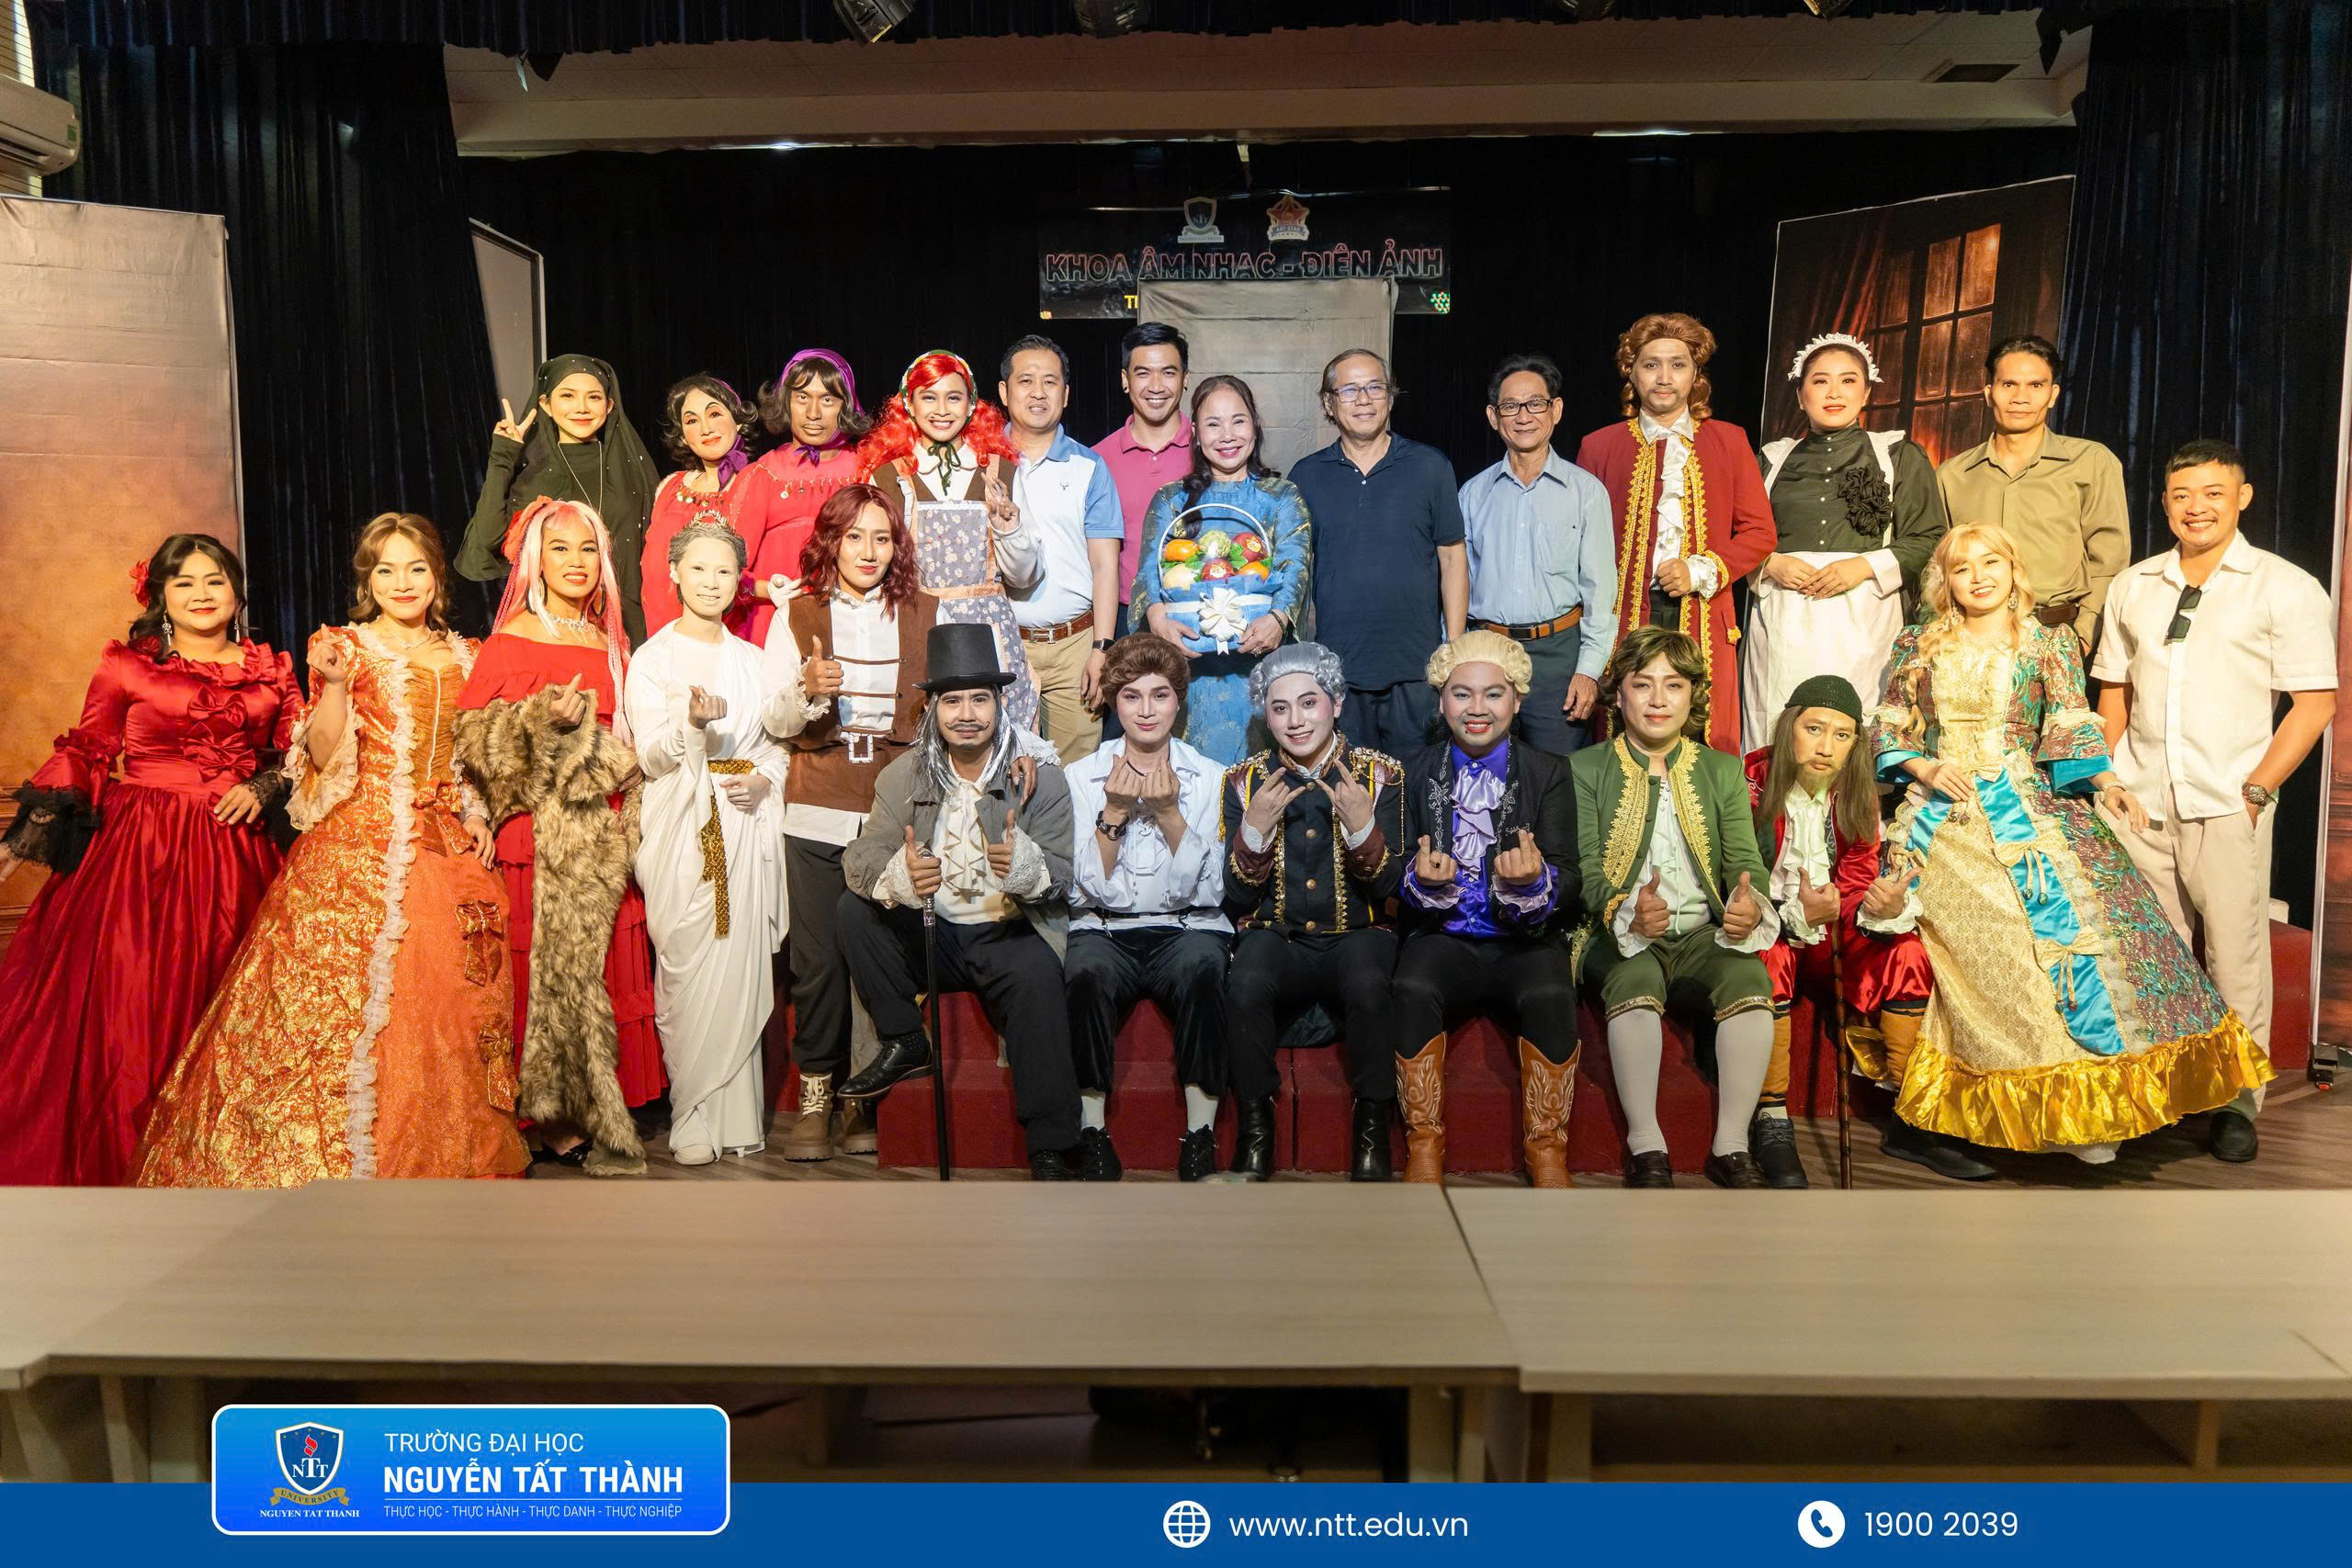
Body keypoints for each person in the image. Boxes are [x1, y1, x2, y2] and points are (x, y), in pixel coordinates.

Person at [137, 515, 527, 1186]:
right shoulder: (344, 647)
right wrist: (338, 686)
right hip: (361, 844)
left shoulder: (469, 654)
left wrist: (476, 812)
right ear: (367, 582)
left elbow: (471, 754)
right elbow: (319, 756)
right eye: (386, 570)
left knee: (446, 1009)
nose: (402, 583)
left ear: (437, 577)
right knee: (349, 1009)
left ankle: (438, 1155)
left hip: (447, 848)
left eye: (416, 569)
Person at [1871, 523, 2271, 1161]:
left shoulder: (2046, 641)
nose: (1978, 577)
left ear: (2013, 570)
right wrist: (1923, 767)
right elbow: (1892, 723)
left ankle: (2097, 1110)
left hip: (2029, 802)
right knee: (2005, 935)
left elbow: (2067, 723)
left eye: (1991, 562)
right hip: (1944, 818)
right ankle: (2016, 1108)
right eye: (1962, 567)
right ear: (1944, 580)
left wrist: (2108, 784)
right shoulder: (1918, 643)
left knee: (2097, 929)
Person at [0, 537, 301, 1185]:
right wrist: (32, 825)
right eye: (184, 582)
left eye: (214, 580)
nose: (201, 594)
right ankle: (127, 1165)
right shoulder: (127, 666)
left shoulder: (272, 670)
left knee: (226, 1011)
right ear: (160, 596)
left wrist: (264, 785)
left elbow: (299, 755)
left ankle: (210, 1169)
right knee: (130, 1008)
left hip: (236, 856)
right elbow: (88, 747)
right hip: (140, 856)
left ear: (237, 591)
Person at [2092, 439, 2336, 1163]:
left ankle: (2235, 1100)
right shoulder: (2135, 583)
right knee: (2152, 955)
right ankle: (2163, 1090)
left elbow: (2315, 703)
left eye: (2212, 493)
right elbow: (2114, 691)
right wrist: (2105, 778)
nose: (2196, 508)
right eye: (2182, 495)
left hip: (2228, 801)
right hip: (2140, 802)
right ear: (2165, 502)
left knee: (2235, 957)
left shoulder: (2283, 586)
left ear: (2242, 497)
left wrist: (2257, 790)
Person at [832, 622, 1086, 1179]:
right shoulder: (902, 777)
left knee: (1038, 979)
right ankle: (905, 1039)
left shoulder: (1040, 780)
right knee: (854, 909)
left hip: (1009, 932)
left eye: (979, 699)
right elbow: (861, 855)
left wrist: (1028, 868)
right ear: (932, 709)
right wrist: (900, 874)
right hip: (935, 932)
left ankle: (1051, 1146)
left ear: (1000, 704)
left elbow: (1066, 875)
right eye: (952, 701)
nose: (966, 714)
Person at [456, 498, 655, 1177]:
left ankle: (594, 1106)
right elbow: (474, 751)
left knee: (598, 973)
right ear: (536, 561)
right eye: (560, 549)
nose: (576, 562)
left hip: (602, 837)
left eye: (588, 549)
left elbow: (628, 745)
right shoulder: (510, 639)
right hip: (536, 839)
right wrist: (544, 722)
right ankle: (547, 1116)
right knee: (542, 975)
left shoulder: (613, 644)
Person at [1571, 626, 1781, 1188]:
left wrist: (1749, 902)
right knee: (1634, 977)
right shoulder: (1585, 768)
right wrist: (1625, 910)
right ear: (1619, 695)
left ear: (1693, 697)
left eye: (1674, 685)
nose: (1658, 699)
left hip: (1702, 936)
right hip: (1617, 934)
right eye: (1643, 684)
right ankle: (1647, 1145)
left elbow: (1745, 861)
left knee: (1749, 979)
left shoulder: (1721, 770)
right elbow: (1585, 871)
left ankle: (1731, 1145)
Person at [1743, 675, 1964, 1186]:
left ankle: (1910, 1118)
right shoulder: (1748, 780)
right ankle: (1771, 1119)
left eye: (1842, 735)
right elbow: (1734, 870)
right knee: (1768, 957)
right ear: (1788, 727)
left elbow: (1858, 876)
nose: (1826, 747)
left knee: (1906, 953)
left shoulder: (1856, 792)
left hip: (1831, 938)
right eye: (1814, 729)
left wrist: (1879, 907)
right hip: (1767, 929)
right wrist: (1787, 913)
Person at [625, 522, 788, 1166]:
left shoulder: (753, 661)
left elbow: (774, 747)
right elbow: (648, 754)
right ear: (673, 572)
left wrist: (764, 780)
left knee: (734, 959)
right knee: (687, 961)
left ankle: (736, 1114)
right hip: (682, 825)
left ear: (737, 581)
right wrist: (691, 727)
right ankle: (690, 1109)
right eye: (698, 568)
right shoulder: (653, 658)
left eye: (724, 571)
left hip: (739, 825)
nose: (711, 582)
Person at [1391, 631, 1581, 1187]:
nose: (1477, 708)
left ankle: (1547, 1151)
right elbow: (1391, 867)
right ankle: (1424, 1146)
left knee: (1551, 994)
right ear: (1441, 701)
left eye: (1493, 694)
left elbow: (1571, 876)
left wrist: (1534, 882)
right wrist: (1418, 879)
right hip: (1443, 935)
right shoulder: (1412, 771)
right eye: (1462, 694)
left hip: (1524, 940)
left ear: (1517, 701)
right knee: (1412, 986)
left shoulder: (1549, 771)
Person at [1221, 642, 1407, 1182]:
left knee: (1370, 985)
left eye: (1309, 703)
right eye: (1280, 708)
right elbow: (1236, 896)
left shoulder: (1381, 774)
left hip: (1358, 934)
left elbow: (1392, 887)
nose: (1296, 721)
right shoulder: (1243, 781)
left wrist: (1363, 829)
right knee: (1244, 983)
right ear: (1265, 715)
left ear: (1337, 704)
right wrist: (1254, 831)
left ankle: (1372, 1130)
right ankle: (1256, 1131)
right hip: (1275, 935)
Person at [1061, 634, 1231, 1180]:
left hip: (1186, 927)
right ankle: (1092, 1131)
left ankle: (1200, 1133)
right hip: (1104, 929)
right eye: (1131, 696)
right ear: (1114, 702)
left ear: (1179, 700)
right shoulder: (1080, 777)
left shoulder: (1211, 777)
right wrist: (1114, 810)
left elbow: (1211, 891)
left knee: (1204, 970)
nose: (1147, 710)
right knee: (1084, 975)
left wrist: (1169, 814)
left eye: (1160, 695)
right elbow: (1082, 890)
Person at [1574, 312, 1776, 753]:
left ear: (1695, 374)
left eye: (1678, 364)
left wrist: (1699, 570)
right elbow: (1579, 543)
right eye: (1651, 364)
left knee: (1701, 736)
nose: (1664, 377)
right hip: (1623, 617)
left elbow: (1760, 532)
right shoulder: (1599, 446)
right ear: (1631, 372)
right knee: (1623, 729)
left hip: (1702, 613)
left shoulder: (1729, 440)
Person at [1744, 334, 1947, 748]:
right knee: (1778, 727)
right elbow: (1735, 536)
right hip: (1784, 617)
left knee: (1857, 730)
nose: (1834, 392)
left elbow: (1930, 537)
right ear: (1800, 396)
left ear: (1866, 393)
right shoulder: (1770, 460)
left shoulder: (1899, 455)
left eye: (1848, 380)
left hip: (1864, 617)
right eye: (1820, 381)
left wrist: (1864, 565)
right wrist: (1768, 563)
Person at [1289, 347, 1466, 760]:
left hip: (1417, 670)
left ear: (1390, 396)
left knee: (1418, 785)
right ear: (1329, 403)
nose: (1364, 400)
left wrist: (1454, 651)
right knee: (1349, 788)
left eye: (1375, 388)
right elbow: (1296, 571)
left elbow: (1453, 558)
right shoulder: (1306, 475)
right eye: (1349, 390)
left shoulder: (1430, 466)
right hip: (1338, 671)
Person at [1129, 374, 1314, 764]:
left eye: (1238, 421)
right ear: (1196, 433)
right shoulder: (1171, 499)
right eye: (1213, 424)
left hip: (1262, 671)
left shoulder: (1282, 496)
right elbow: (1148, 569)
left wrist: (1278, 618)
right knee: (1191, 783)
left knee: (1259, 783)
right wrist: (1158, 619)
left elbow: (1295, 565)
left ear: (1255, 426)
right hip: (1187, 671)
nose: (1227, 435)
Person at [857, 350, 1045, 732]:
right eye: (929, 397)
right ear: (909, 405)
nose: (942, 410)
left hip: (989, 633)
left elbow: (1025, 577)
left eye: (953, 397)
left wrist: (1007, 529)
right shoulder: (888, 477)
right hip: (919, 626)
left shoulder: (1000, 472)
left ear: (971, 404)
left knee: (994, 736)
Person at [1459, 352, 1619, 756]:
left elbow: (1600, 592)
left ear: (1556, 410)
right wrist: (1456, 654)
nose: (1523, 416)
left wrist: (1588, 671)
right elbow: (1458, 584)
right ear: (1493, 416)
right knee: (1482, 770)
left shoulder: (1586, 492)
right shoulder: (1473, 494)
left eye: (1535, 404)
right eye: (1511, 406)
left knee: (1557, 775)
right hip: (1487, 650)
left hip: (1558, 655)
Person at [1934, 335, 2130, 652]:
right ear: (1989, 393)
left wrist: (2082, 634)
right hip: (1973, 641)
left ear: (2053, 395)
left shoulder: (2092, 462)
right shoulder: (1952, 475)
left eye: (2036, 385)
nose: (2020, 398)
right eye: (2008, 385)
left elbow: (2110, 560)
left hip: (2059, 634)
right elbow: (1938, 567)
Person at [458, 354, 662, 645]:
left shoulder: (631, 471)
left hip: (625, 626)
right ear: (545, 404)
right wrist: (502, 457)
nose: (582, 407)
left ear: (609, 405)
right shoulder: (534, 474)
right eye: (568, 395)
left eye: (593, 397)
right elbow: (488, 538)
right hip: (551, 629)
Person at [1000, 334, 1125, 763]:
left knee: (1076, 774)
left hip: (1075, 645)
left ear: (1066, 395)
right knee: (1002, 770)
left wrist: (1101, 649)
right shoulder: (981, 463)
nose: (1038, 392)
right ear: (1004, 392)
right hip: (1002, 644)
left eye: (1050, 382)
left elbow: (1105, 565)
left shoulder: (1090, 466)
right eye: (1026, 381)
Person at [738, 348, 869, 645]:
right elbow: (730, 567)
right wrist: (766, 589)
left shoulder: (865, 470)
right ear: (786, 401)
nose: (813, 413)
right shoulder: (764, 474)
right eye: (802, 397)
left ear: (846, 405)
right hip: (772, 625)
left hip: (847, 624)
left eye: (827, 400)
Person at [1091, 322, 1193, 641]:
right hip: (1125, 620)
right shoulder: (1098, 460)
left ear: (1185, 379)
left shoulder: (1209, 450)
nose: (1156, 386)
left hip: (1198, 611)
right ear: (1125, 380)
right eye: (1143, 373)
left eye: (1168, 372)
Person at [641, 374, 758, 636]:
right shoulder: (669, 487)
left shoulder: (756, 485)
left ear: (738, 421)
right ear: (682, 436)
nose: (706, 428)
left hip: (726, 636)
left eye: (714, 414)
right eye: (692, 420)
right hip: (662, 638)